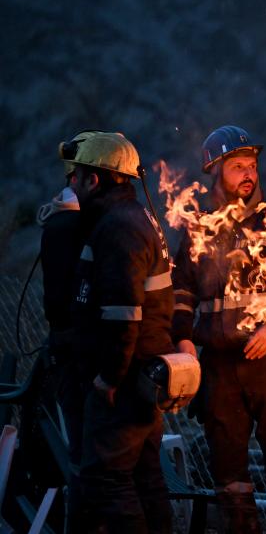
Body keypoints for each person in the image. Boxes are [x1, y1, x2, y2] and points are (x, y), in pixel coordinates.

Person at [68, 131, 176, 532]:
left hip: (124, 383)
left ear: (94, 179)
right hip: (144, 376)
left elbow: (122, 313)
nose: (72, 186)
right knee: (146, 478)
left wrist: (108, 377)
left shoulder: (118, 227)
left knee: (106, 480)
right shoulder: (136, 218)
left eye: (76, 177)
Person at [171, 125, 266, 533]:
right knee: (229, 474)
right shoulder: (198, 227)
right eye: (237, 167)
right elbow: (181, 291)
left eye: (251, 166)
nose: (248, 174)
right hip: (217, 365)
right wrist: (183, 344)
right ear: (216, 171)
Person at [37, 130, 100, 530]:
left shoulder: (58, 224)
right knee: (86, 453)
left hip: (66, 351)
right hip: (78, 356)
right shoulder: (73, 227)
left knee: (83, 451)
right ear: (85, 179)